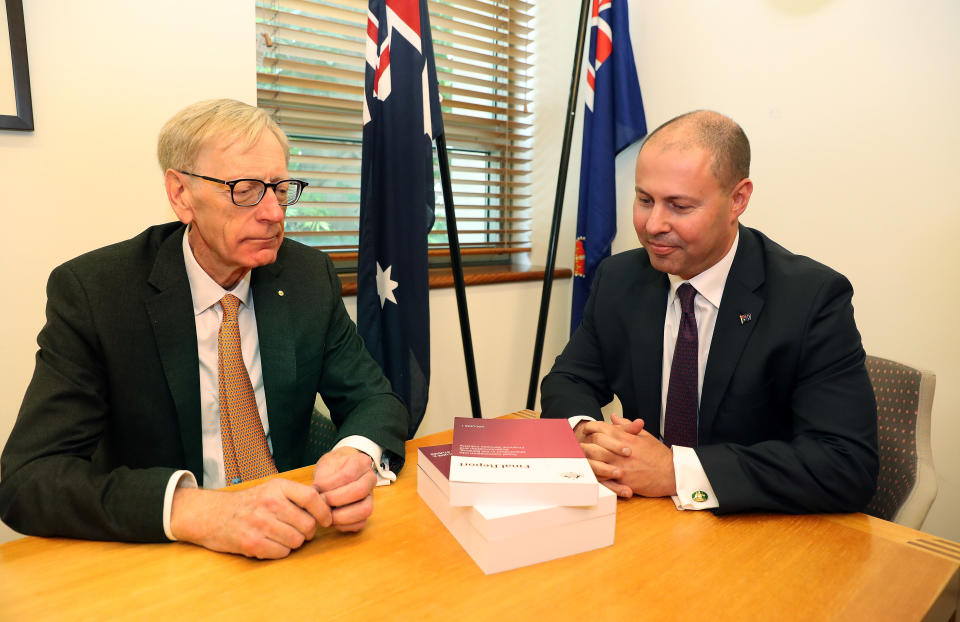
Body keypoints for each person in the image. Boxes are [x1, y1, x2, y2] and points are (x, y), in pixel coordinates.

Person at [0, 99, 409, 558]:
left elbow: (375, 399)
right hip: (168, 557)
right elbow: (29, 478)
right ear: (180, 195)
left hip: (297, 537)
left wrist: (355, 456)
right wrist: (198, 511)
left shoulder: (306, 275)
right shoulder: (96, 294)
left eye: (279, 188)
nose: (274, 213)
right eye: (246, 189)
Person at [541, 110, 878, 514]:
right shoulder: (620, 278)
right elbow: (569, 378)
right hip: (646, 520)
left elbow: (845, 465)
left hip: (756, 532)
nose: (653, 225)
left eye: (679, 206)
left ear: (738, 199)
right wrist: (586, 435)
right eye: (645, 200)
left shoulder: (811, 297)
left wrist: (676, 470)